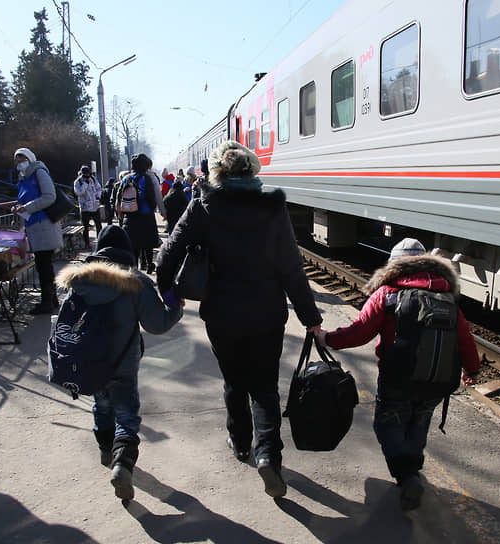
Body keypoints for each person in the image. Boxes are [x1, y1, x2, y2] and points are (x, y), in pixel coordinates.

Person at [156, 140, 322, 498]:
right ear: (252, 171)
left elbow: (168, 253)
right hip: (266, 312)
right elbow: (292, 268)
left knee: (235, 380)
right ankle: (268, 456)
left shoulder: (202, 205)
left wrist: (169, 293)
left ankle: (241, 442)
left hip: (222, 313)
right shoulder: (272, 208)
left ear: (216, 172)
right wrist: (311, 318)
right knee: (264, 386)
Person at [316, 238, 480, 510]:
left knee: (388, 423)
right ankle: (412, 470)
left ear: (395, 266)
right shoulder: (447, 296)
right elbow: (465, 339)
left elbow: (359, 332)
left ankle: (406, 475)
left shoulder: (387, 294)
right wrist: (472, 369)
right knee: (419, 421)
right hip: (437, 381)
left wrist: (326, 339)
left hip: (397, 377)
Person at [55, 225, 182, 500]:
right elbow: (157, 324)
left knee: (101, 404)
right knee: (127, 415)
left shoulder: (80, 281)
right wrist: (176, 307)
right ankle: (122, 463)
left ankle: (105, 449)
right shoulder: (135, 282)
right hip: (124, 363)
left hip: (89, 362)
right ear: (127, 251)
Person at [11, 148, 63, 315]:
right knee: (44, 264)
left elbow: (49, 196)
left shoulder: (39, 172)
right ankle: (51, 299)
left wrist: (26, 208)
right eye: (17, 161)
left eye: (22, 159)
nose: (20, 163)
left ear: (30, 159)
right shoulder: (25, 177)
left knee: (44, 265)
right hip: (36, 225)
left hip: (43, 224)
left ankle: (47, 301)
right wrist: (20, 209)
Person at [113, 154, 161, 275]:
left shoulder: (126, 179)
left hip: (130, 216)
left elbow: (119, 197)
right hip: (145, 215)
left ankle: (134, 268)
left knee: (133, 244)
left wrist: (120, 213)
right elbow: (151, 198)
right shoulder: (147, 178)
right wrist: (152, 208)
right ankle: (149, 265)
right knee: (148, 243)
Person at [73, 165, 102, 250]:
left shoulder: (93, 179)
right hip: (85, 208)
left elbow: (98, 188)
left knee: (98, 225)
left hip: (95, 206)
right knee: (86, 227)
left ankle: (100, 241)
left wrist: (98, 196)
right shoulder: (78, 182)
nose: (88, 176)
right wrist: (85, 183)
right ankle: (87, 243)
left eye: (89, 174)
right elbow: (79, 193)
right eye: (86, 174)